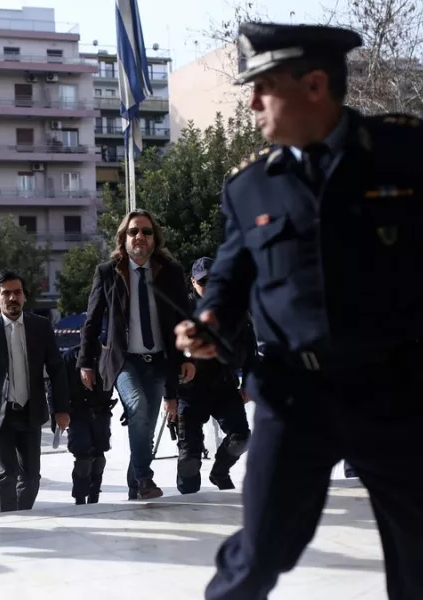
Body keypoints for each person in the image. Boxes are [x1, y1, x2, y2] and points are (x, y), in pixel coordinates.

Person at [175, 22, 423, 600]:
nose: (253, 103)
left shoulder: (405, 153)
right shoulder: (249, 187)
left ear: (314, 85)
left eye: (264, 86)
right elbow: (228, 277)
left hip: (399, 389)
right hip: (295, 394)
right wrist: (208, 322)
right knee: (261, 550)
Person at [80, 210, 195, 500]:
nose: (140, 237)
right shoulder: (108, 272)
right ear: (124, 238)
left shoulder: (170, 272)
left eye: (146, 231)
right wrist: (85, 363)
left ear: (155, 237)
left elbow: (184, 317)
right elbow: (92, 321)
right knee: (138, 407)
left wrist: (187, 357)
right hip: (124, 361)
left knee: (145, 424)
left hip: (159, 360)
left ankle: (135, 485)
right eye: (133, 232)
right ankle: (144, 479)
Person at [0, 270, 70, 513]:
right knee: (7, 473)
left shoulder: (40, 326)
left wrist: (61, 409)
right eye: (6, 293)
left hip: (31, 412)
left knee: (31, 477)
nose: (12, 298)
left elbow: (56, 369)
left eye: (18, 293)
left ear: (24, 296)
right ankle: (8, 522)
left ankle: (21, 517)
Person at [175, 257, 254, 495]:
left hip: (224, 386)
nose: (208, 286)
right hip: (190, 390)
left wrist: (249, 382)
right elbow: (170, 351)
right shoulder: (181, 310)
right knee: (189, 460)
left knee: (240, 439)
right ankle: (188, 502)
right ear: (192, 282)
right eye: (203, 282)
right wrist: (169, 395)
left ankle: (220, 471)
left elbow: (249, 349)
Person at [61, 340, 116, 505]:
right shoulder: (70, 356)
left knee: (99, 456)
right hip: (78, 412)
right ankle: (80, 497)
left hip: (101, 410)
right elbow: (57, 385)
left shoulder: (107, 355)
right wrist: (59, 411)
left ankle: (94, 494)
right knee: (82, 457)